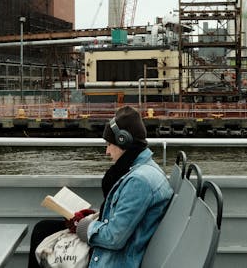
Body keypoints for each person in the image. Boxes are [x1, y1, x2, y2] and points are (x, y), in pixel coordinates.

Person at [28, 106, 173, 268]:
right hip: (116, 250)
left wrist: (82, 225)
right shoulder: (146, 170)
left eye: (109, 144)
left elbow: (114, 237)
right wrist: (92, 218)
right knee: (43, 228)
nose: (107, 151)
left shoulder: (139, 182)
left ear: (123, 140)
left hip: (111, 259)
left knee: (41, 233)